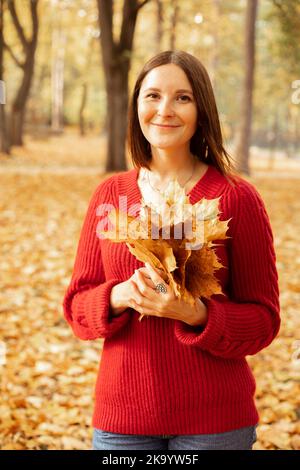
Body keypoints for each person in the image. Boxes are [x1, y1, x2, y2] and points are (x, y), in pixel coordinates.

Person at [62, 50, 281, 450]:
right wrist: (119, 295)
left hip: (215, 422)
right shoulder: (111, 196)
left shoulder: (236, 198)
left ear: (202, 110)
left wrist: (195, 314)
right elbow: (77, 306)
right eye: (153, 96)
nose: (165, 109)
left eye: (183, 97)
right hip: (123, 419)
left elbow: (264, 320)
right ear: (136, 106)